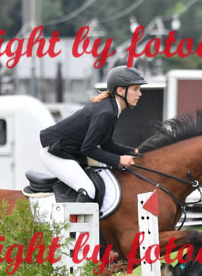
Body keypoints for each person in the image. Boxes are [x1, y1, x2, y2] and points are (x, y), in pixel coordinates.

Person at [39, 65, 147, 202]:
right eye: (135, 89)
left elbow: (107, 144)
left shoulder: (112, 108)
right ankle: (71, 218)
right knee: (88, 190)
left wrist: (134, 152)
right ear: (120, 90)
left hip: (69, 152)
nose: (139, 94)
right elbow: (88, 148)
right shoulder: (106, 112)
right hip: (54, 152)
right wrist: (118, 160)